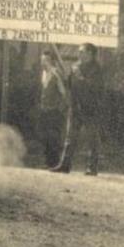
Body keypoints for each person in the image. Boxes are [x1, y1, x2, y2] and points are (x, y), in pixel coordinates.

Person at [51, 43, 103, 175]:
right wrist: (61, 75)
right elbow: (69, 85)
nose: (79, 54)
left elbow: (96, 88)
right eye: (79, 52)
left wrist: (81, 78)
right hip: (75, 107)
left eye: (82, 51)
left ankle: (92, 168)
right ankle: (65, 165)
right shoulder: (75, 67)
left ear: (90, 54)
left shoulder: (97, 69)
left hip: (91, 109)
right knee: (70, 138)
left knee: (92, 139)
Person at [38, 50, 68, 168]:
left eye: (45, 60)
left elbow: (63, 92)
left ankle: (54, 162)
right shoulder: (43, 73)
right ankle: (48, 161)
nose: (43, 62)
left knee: (54, 136)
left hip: (54, 110)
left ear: (51, 61)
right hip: (44, 109)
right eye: (42, 60)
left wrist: (59, 108)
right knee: (45, 135)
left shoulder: (56, 73)